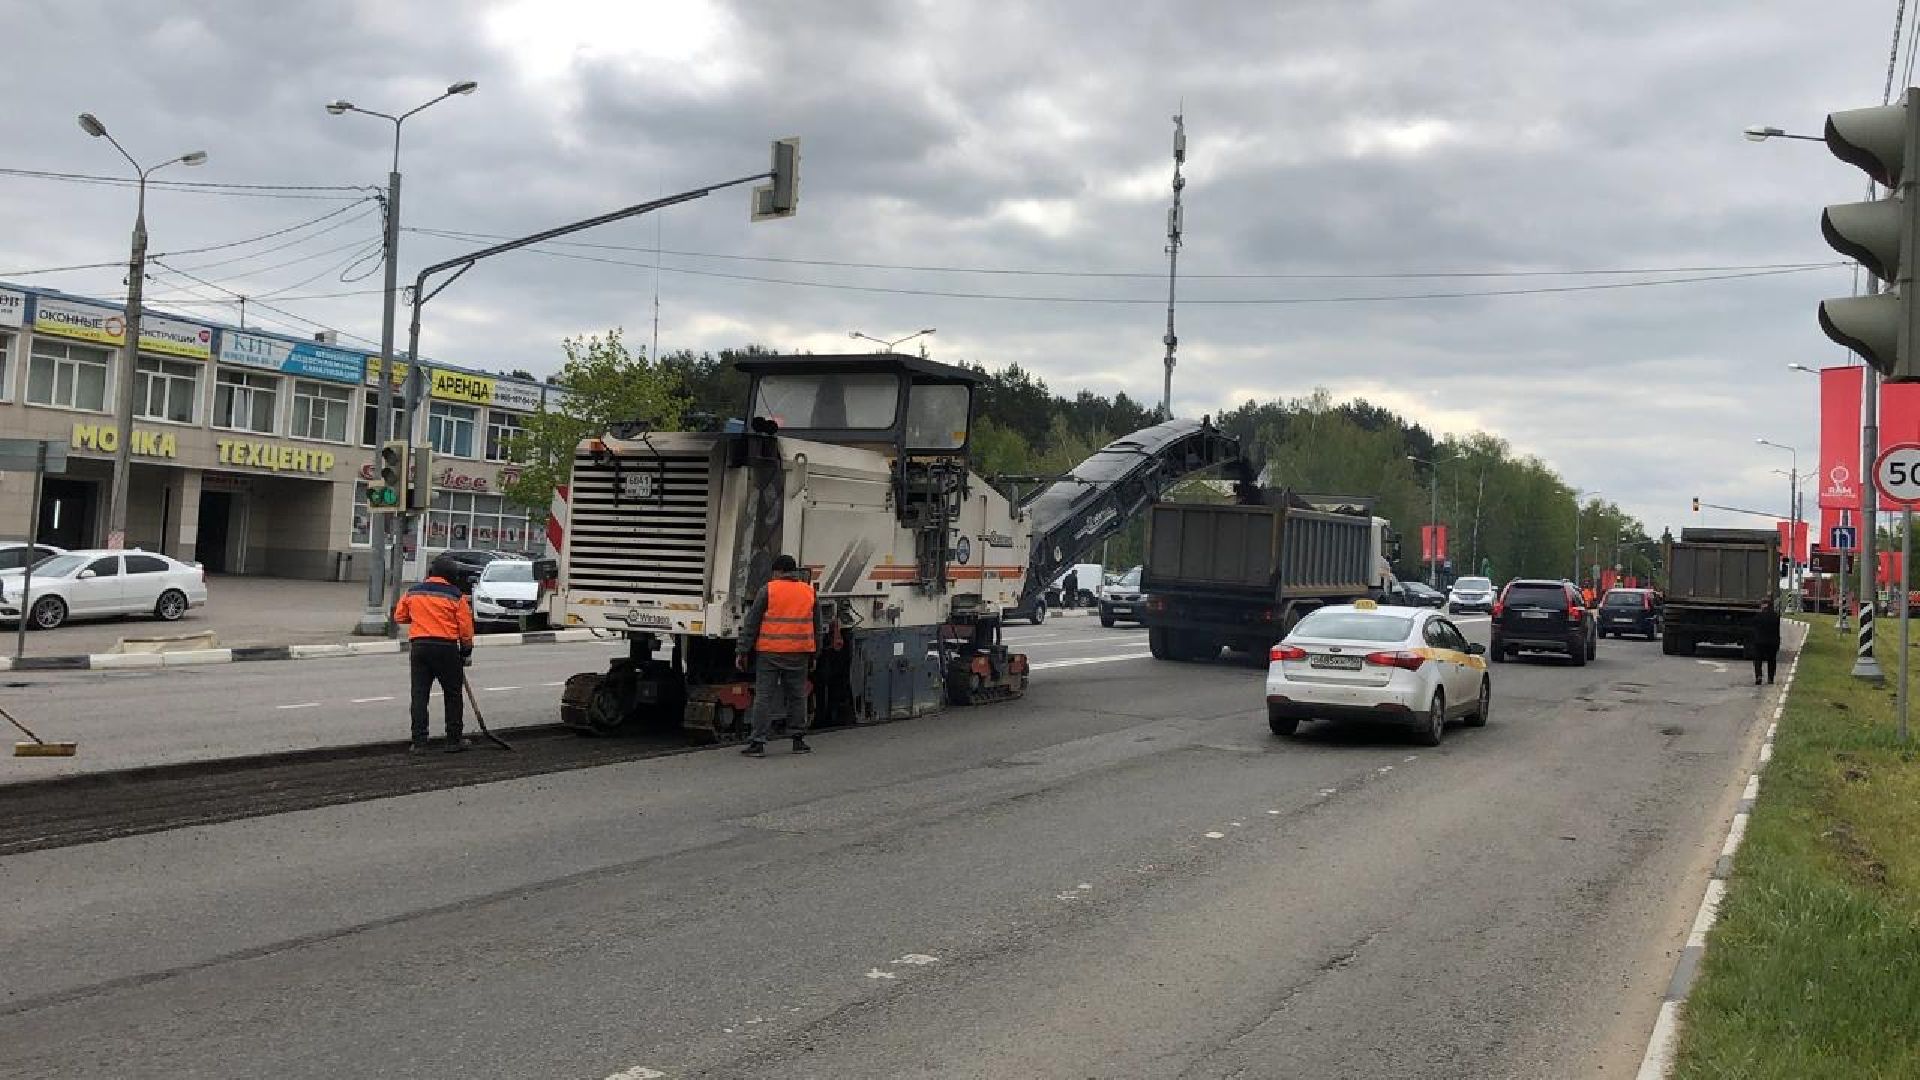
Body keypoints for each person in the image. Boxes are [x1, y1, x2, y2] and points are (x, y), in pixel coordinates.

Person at [737, 554, 824, 757]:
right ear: (794, 572)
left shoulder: (769, 589)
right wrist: (815, 654)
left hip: (770, 653)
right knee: (797, 696)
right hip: (799, 653)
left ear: (777, 571)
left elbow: (752, 623)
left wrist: (742, 650)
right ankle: (798, 740)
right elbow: (817, 627)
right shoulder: (809, 591)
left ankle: (758, 743)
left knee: (764, 697)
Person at [393, 554, 476, 753]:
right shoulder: (456, 596)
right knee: (453, 694)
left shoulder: (413, 592)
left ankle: (419, 742)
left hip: (419, 647)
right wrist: (466, 651)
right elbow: (465, 628)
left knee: (420, 695)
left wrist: (421, 620)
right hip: (446, 648)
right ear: (451, 575)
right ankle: (453, 740)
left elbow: (400, 616)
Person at [1751, 596, 1781, 686]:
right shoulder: (1776, 616)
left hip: (1759, 642)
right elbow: (1777, 629)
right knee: (1771, 660)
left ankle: (1758, 676)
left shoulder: (1757, 616)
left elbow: (1754, 628)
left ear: (1763, 606)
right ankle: (1770, 678)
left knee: (1758, 660)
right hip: (1772, 642)